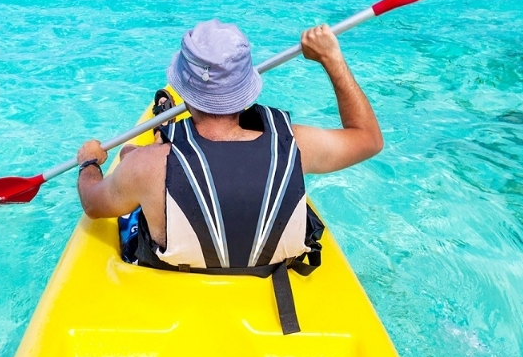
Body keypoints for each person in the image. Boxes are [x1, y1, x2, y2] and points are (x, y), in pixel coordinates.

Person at [75, 18, 383, 276]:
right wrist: (332, 59)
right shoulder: (299, 145)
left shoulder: (146, 167)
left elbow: (93, 204)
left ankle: (164, 135)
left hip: (174, 283)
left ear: (184, 91)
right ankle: (165, 137)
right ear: (246, 88)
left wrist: (89, 164)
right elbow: (369, 139)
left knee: (134, 160)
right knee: (145, 161)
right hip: (272, 289)